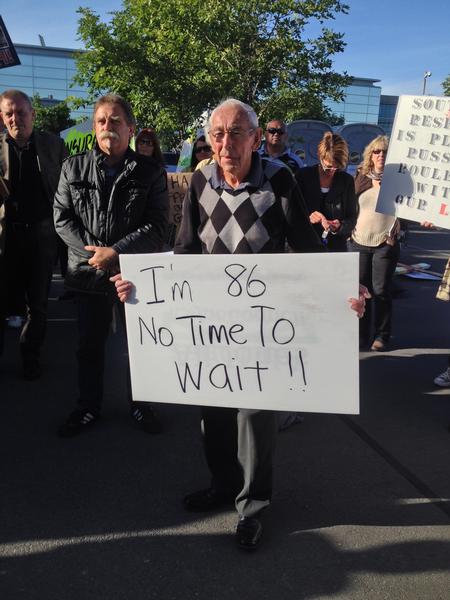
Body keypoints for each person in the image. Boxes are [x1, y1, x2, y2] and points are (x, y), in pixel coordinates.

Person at [114, 98, 367, 551]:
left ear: (254, 137)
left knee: (254, 418)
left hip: (263, 324)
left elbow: (308, 250)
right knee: (211, 413)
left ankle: (253, 506)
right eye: (217, 133)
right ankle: (222, 484)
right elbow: (186, 251)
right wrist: (147, 291)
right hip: (211, 323)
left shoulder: (279, 180)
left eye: (235, 133)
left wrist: (342, 292)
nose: (225, 143)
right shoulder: (200, 181)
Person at [54, 93, 168, 438]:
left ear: (130, 128)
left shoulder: (150, 171)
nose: (108, 127)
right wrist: (96, 255)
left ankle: (141, 404)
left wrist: (115, 252)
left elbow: (159, 225)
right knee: (89, 345)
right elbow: (62, 219)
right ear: (94, 127)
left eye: (116, 120)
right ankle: (88, 406)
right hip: (87, 274)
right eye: (102, 120)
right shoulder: (72, 167)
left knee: (138, 345)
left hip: (132, 275)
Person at [0, 89, 67, 379]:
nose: (16, 119)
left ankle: (31, 356)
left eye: (21, 112)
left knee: (38, 305)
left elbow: (69, 187)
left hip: (42, 235)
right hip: (6, 239)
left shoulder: (53, 145)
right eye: (9, 113)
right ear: (2, 118)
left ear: (33, 114)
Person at [348, 135, 399, 352]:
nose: (380, 155)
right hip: (358, 240)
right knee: (362, 291)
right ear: (370, 155)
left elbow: (410, 209)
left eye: (385, 152)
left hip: (385, 242)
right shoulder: (360, 178)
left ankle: (382, 335)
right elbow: (349, 206)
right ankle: (361, 336)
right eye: (376, 152)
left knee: (381, 290)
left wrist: (400, 229)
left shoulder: (398, 181)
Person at [296, 132, 357, 252]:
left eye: (337, 167)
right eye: (328, 167)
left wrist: (339, 226)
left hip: (335, 247)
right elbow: (292, 212)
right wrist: (308, 217)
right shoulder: (303, 176)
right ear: (319, 156)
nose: (332, 171)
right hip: (305, 246)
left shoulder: (346, 180)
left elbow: (352, 218)